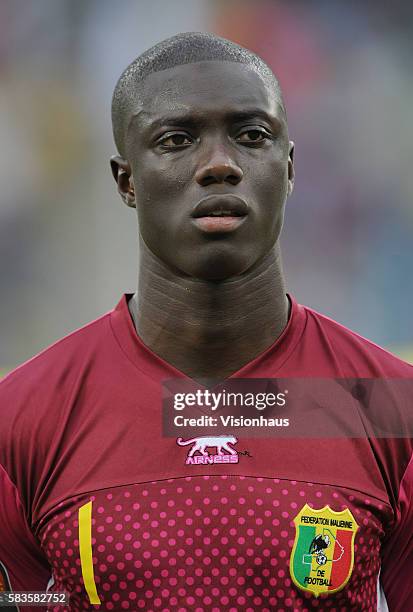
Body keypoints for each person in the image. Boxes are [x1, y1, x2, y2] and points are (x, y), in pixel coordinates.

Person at [0, 31, 412, 612]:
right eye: (175, 140)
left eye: (251, 136)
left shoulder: (389, 405)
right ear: (126, 181)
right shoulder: (22, 419)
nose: (219, 165)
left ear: (289, 168)